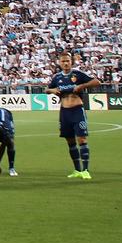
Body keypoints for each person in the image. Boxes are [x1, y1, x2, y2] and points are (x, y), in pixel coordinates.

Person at [47, 52, 99, 180]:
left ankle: (85, 170)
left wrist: (82, 86)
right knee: (70, 141)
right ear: (59, 63)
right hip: (64, 112)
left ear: (71, 62)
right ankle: (77, 170)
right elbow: (47, 90)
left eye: (68, 61)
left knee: (82, 139)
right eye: (63, 61)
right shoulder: (57, 77)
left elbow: (96, 82)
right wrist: (53, 90)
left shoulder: (78, 74)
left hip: (77, 111)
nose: (65, 63)